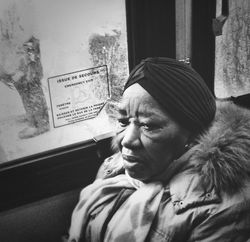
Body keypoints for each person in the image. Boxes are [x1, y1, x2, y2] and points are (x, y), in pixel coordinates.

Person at [67, 57, 250, 242]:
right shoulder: (114, 166)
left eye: (149, 126)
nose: (126, 141)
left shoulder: (222, 210)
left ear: (193, 134)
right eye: (123, 121)